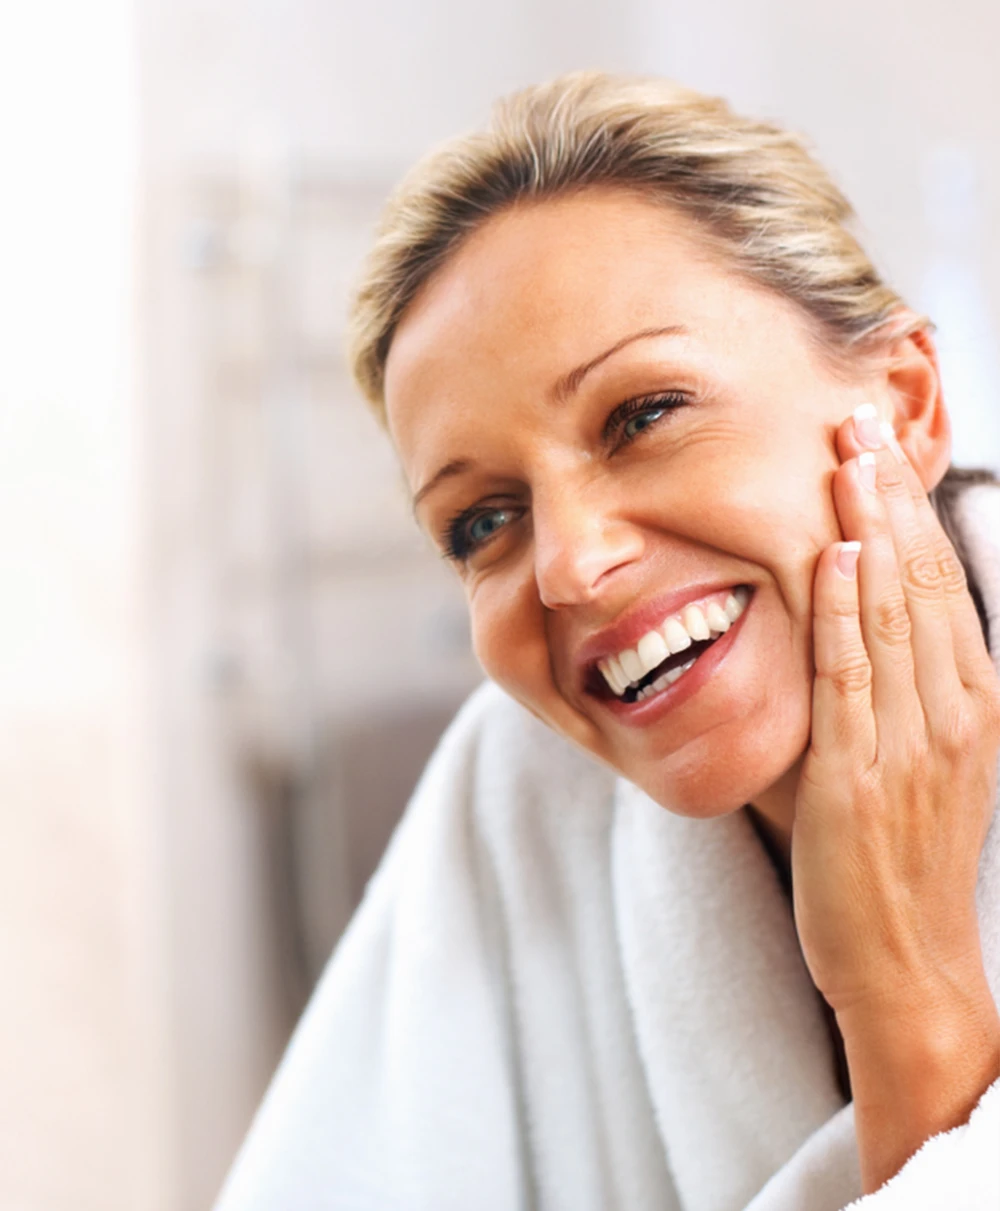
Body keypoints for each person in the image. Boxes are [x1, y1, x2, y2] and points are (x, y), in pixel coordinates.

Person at [215, 72, 1000, 1209]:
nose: (570, 563)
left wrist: (910, 1003)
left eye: (642, 415)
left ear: (909, 403)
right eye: (483, 521)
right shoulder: (518, 790)